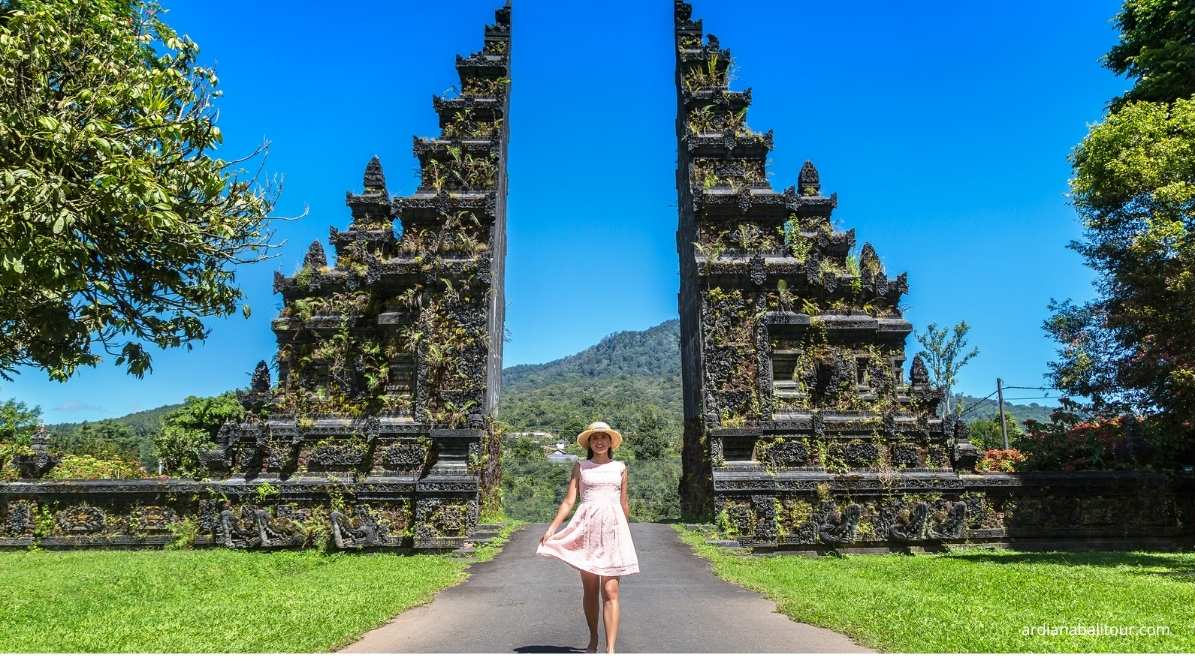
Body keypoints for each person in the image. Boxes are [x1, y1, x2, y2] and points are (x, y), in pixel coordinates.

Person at [536, 420, 639, 654]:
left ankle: (610, 650)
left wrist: (624, 533)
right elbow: (569, 501)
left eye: (604, 437)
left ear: (611, 442)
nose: (599, 441)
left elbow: (624, 503)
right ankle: (593, 639)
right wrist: (552, 528)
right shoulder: (581, 467)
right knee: (590, 590)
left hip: (613, 531)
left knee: (611, 591)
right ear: (589, 443)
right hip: (587, 531)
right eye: (595, 438)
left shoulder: (620, 468)